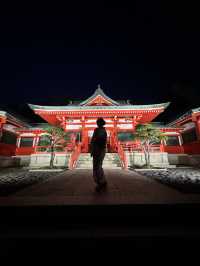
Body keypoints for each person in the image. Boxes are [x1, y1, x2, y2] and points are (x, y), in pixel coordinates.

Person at [90, 117, 107, 192]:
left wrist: (92, 150)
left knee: (96, 166)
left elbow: (94, 140)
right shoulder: (104, 131)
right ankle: (102, 180)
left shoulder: (97, 130)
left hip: (97, 150)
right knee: (99, 165)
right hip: (102, 150)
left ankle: (99, 182)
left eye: (98, 122)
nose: (97, 124)